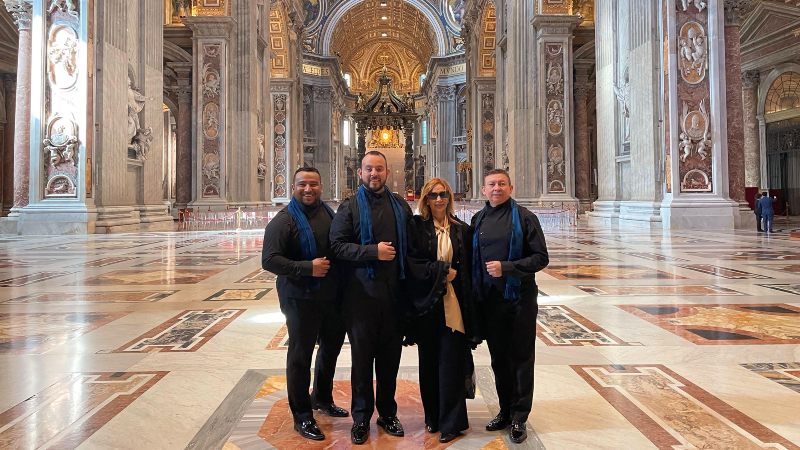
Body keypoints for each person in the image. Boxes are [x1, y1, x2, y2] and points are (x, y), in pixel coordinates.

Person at [329, 150, 413, 445]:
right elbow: (337, 246)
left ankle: (388, 413)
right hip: (360, 298)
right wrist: (371, 251)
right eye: (369, 169)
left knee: (390, 361)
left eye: (379, 169)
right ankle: (361, 417)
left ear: (386, 173)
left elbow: (413, 249)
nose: (374, 174)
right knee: (362, 363)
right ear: (361, 173)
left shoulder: (400, 206)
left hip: (394, 297)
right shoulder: (349, 207)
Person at [261, 167, 349, 441]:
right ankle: (301, 415)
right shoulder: (283, 221)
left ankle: (321, 397)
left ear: (321, 186)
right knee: (300, 357)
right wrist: (306, 268)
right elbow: (270, 260)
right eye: (302, 185)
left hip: (330, 297)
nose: (308, 189)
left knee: (330, 349)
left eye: (313, 185)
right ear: (293, 187)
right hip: (299, 299)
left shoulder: (328, 213)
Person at [471, 169, 549, 444]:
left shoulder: (525, 218)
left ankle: (519, 416)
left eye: (502, 184)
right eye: (491, 184)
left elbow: (541, 258)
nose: (497, 188)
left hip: (519, 300)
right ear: (483, 190)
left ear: (510, 187)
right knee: (498, 359)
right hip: (490, 303)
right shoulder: (478, 218)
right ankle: (504, 410)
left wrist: (508, 268)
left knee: (521, 358)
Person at [407, 178, 479, 444]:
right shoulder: (416, 227)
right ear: (425, 200)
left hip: (455, 306)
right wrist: (440, 272)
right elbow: (412, 264)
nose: (439, 200)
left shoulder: (462, 230)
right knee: (428, 364)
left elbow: (471, 268)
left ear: (449, 198)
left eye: (443, 195)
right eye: (433, 195)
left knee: (451, 362)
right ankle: (433, 417)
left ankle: (453, 422)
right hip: (427, 305)